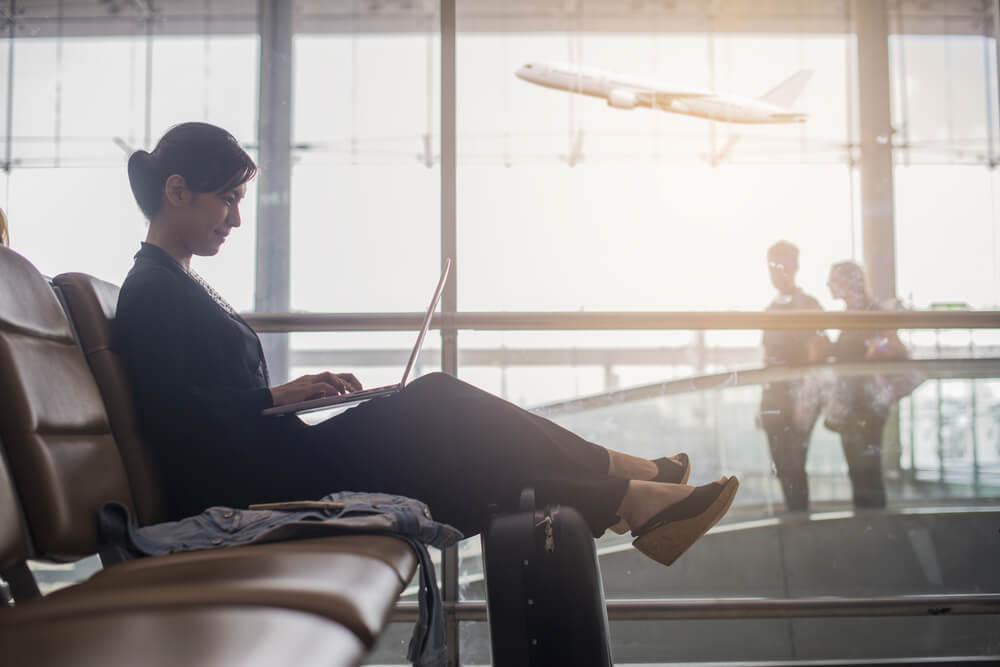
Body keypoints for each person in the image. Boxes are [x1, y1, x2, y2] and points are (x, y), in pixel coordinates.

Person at [113, 122, 739, 567]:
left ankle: (635, 496)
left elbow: (202, 402)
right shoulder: (153, 290)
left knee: (462, 461)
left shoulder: (175, 284)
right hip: (258, 483)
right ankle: (631, 476)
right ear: (176, 191)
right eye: (227, 199)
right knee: (436, 401)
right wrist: (272, 399)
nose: (236, 219)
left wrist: (280, 397)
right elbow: (177, 424)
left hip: (276, 461)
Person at [757, 241, 826, 512]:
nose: (776, 273)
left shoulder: (808, 305)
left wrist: (804, 400)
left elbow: (816, 353)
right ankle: (794, 514)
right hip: (773, 395)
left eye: (781, 266)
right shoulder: (770, 309)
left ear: (795, 267)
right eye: (772, 267)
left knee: (794, 461)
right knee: (781, 462)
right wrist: (761, 402)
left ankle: (799, 517)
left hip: (798, 395)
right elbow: (766, 358)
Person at [824, 260, 888, 509]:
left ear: (847, 283)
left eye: (834, 279)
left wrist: (875, 348)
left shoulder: (868, 312)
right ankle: (869, 525)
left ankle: (874, 528)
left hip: (866, 406)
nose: (828, 285)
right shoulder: (850, 315)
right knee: (859, 471)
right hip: (853, 406)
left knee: (867, 472)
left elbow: (889, 345)